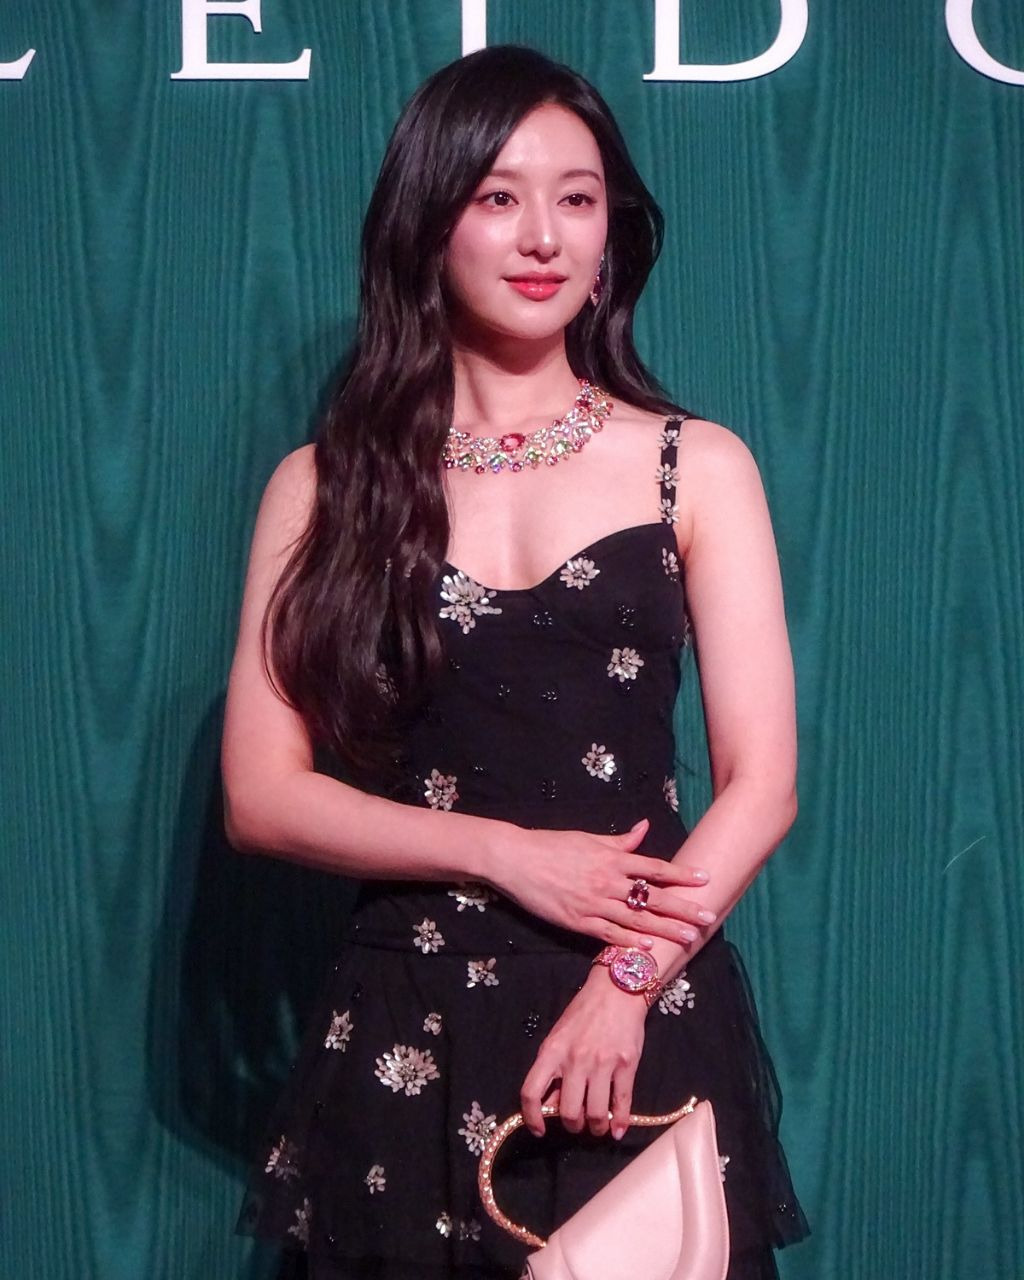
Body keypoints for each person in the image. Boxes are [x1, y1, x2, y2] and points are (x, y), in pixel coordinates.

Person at [222, 43, 810, 1280]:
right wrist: (503, 852)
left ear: (612, 233)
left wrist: (626, 983)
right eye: (498, 195)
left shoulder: (695, 464)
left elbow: (762, 785)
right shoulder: (322, 486)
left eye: (577, 198)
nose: (543, 234)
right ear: (428, 221)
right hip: (411, 1015)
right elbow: (262, 796)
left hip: (634, 1010)